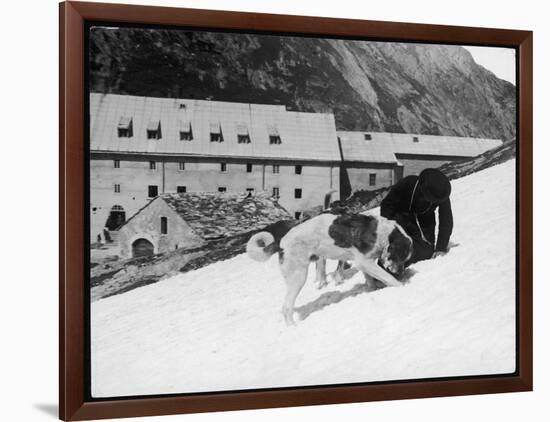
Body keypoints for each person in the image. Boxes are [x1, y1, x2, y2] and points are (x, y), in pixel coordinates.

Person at [380, 168, 453, 265]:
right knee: (400, 245)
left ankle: (405, 256)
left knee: (426, 252)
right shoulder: (408, 183)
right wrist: (388, 230)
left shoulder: (441, 192)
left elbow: (446, 219)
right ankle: (389, 262)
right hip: (401, 215)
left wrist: (441, 248)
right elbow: (387, 205)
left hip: (425, 219)